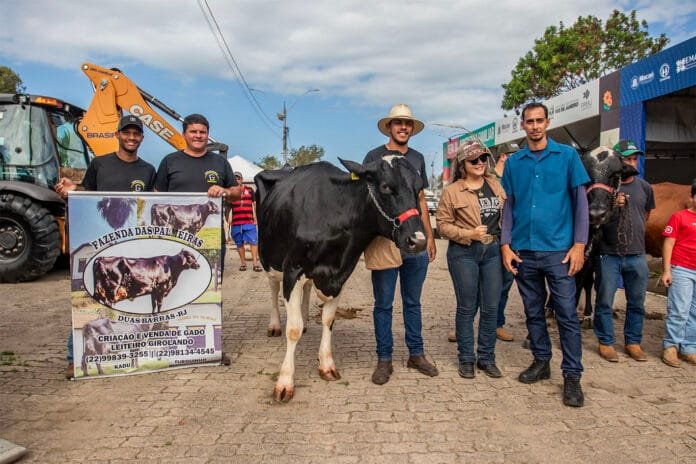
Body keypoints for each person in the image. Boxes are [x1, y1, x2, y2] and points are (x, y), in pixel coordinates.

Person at [500, 102, 590, 408]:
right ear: (523, 125)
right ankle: (541, 361)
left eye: (540, 120)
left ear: (547, 123)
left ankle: (572, 375)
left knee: (566, 314)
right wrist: (505, 245)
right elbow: (509, 205)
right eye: (530, 121)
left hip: (559, 252)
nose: (535, 126)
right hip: (524, 250)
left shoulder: (567, 156)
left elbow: (580, 203)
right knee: (533, 311)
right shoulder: (515, 163)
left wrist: (579, 245)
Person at [55, 114, 156, 378]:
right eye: (127, 132)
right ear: (118, 135)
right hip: (101, 248)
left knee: (130, 301)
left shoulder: (148, 170)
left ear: (141, 137)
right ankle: (74, 357)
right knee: (90, 300)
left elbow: (151, 205)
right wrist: (72, 188)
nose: (131, 137)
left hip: (133, 249)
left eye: (136, 133)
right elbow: (86, 195)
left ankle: (131, 352)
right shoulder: (100, 164)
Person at [154, 113, 240, 366]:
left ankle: (209, 346)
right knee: (172, 289)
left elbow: (237, 193)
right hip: (173, 242)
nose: (198, 136)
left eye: (202, 132)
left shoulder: (219, 163)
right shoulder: (170, 162)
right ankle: (172, 345)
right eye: (193, 131)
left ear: (207, 135)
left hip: (210, 242)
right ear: (184, 134)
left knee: (209, 289)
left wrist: (225, 190)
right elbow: (155, 198)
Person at [363, 103, 438, 385]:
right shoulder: (374, 157)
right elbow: (368, 199)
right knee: (383, 304)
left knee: (412, 302)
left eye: (407, 124)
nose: (403, 127)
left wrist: (429, 236)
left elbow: (421, 200)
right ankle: (384, 359)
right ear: (389, 127)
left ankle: (416, 354)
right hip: (386, 242)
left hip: (415, 241)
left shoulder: (417, 158)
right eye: (398, 123)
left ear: (412, 129)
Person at [437, 140, 505, 379]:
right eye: (473, 160)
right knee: (467, 307)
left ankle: (486, 358)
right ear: (463, 164)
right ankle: (466, 358)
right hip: (464, 253)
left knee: (491, 307)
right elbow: (442, 225)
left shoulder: (495, 184)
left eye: (483, 158)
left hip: (493, 252)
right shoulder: (452, 191)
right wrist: (468, 234)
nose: (479, 163)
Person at [593, 140, 655, 363]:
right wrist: (613, 206)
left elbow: (645, 215)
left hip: (637, 254)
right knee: (604, 301)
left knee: (637, 302)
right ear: (617, 162)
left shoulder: (645, 187)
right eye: (627, 159)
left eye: (634, 159)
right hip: (609, 254)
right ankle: (606, 342)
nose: (632, 162)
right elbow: (595, 220)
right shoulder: (605, 187)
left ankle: (633, 342)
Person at [660, 179, 696, 368]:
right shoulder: (679, 217)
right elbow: (669, 243)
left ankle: (689, 348)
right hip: (682, 269)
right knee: (679, 310)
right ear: (692, 197)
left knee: (694, 312)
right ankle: (671, 346)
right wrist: (667, 270)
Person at [492, 142, 520, 342]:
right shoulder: (488, 178)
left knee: (505, 284)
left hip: (512, 239)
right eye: (512, 155)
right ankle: (464, 325)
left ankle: (497, 324)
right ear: (503, 156)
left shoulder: (516, 178)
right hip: (489, 238)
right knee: (478, 285)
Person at [228, 171, 261, 272]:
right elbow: (228, 208)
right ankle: (243, 264)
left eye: (238, 178)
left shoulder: (250, 190)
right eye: (234, 179)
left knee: (253, 242)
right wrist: (228, 219)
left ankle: (255, 264)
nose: (236, 180)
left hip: (249, 222)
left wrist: (256, 218)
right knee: (239, 244)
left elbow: (255, 204)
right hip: (236, 223)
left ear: (242, 179)